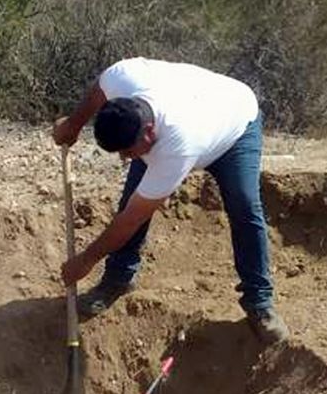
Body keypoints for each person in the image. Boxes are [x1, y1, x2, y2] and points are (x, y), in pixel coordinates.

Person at [53, 57, 289, 344]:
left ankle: (259, 302)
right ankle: (118, 279)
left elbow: (131, 220)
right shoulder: (124, 78)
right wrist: (74, 125)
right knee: (134, 196)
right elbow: (101, 88)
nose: (124, 158)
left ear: (149, 132)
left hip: (236, 123)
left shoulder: (178, 144)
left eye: (128, 151)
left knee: (244, 204)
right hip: (197, 107)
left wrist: (86, 259)